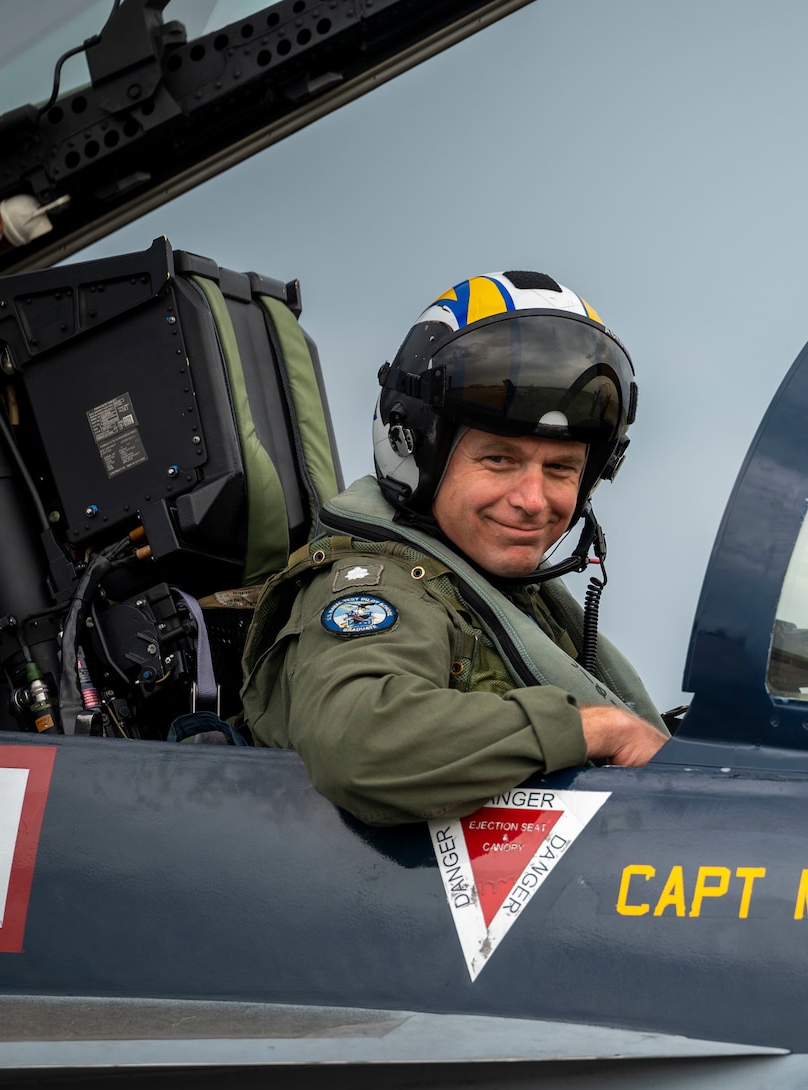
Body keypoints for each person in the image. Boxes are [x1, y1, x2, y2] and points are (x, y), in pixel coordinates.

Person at [240, 271, 668, 824]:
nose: (533, 500)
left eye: (561, 468)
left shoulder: (507, 598)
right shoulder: (383, 588)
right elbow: (360, 742)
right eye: (499, 460)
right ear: (415, 447)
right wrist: (593, 730)